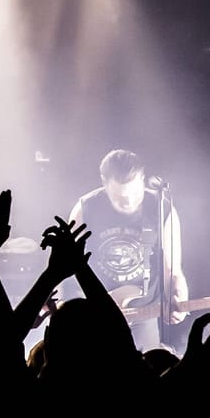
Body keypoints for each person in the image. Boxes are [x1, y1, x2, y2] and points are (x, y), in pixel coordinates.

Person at [69, 149, 187, 349]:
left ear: (142, 179)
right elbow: (67, 264)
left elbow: (172, 269)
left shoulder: (162, 208)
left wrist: (180, 297)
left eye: (135, 193)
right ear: (105, 184)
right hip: (96, 312)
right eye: (121, 197)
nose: (129, 202)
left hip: (143, 313)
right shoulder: (85, 208)